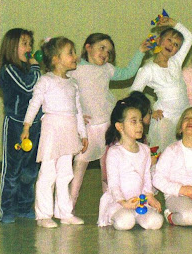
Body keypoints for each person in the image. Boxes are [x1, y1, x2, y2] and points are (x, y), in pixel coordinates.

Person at [68, 33, 150, 210]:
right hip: (88, 127)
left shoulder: (107, 69)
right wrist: (75, 115)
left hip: (107, 125)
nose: (105, 53)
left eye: (109, 51)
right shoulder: (75, 68)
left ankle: (111, 206)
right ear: (88, 47)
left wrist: (141, 51)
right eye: (102, 48)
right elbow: (64, 91)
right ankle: (69, 206)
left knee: (108, 169)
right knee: (80, 164)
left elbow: (128, 72)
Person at [21, 37, 88, 228]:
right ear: (56, 59)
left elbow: (78, 110)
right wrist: (26, 126)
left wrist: (82, 134)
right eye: (70, 52)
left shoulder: (73, 84)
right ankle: (43, 214)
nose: (75, 56)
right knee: (48, 172)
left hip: (69, 130)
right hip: (52, 129)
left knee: (66, 173)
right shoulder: (46, 81)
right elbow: (34, 103)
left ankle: (64, 212)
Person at [0, 28, 42, 224]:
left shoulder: (28, 70)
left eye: (30, 44)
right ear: (11, 47)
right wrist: (36, 68)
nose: (29, 48)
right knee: (13, 170)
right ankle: (7, 209)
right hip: (15, 125)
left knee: (30, 170)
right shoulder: (9, 70)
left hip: (34, 126)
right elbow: (28, 87)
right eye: (24, 44)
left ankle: (24, 207)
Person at [97, 99, 163, 230]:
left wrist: (149, 197)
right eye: (134, 121)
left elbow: (146, 177)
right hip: (119, 201)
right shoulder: (114, 152)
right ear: (120, 127)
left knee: (156, 222)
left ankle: (137, 216)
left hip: (140, 201)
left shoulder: (144, 149)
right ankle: (118, 214)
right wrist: (124, 203)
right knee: (125, 222)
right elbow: (113, 185)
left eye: (140, 121)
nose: (139, 125)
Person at [130, 16, 192, 154]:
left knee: (182, 152)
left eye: (176, 45)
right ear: (159, 40)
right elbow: (134, 94)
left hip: (183, 114)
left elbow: (189, 37)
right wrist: (148, 112)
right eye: (169, 40)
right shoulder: (148, 69)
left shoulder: (176, 62)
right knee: (162, 153)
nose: (172, 45)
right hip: (165, 117)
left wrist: (174, 23)